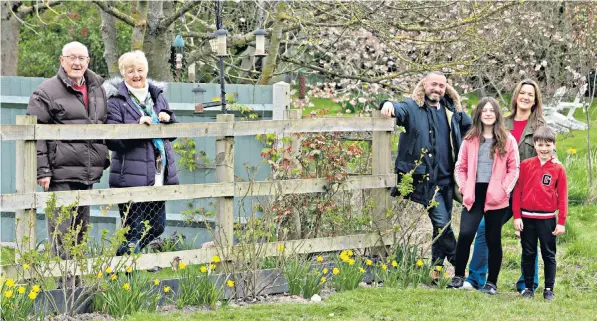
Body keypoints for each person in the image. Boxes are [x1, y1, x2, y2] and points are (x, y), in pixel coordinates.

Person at [26, 41, 109, 286]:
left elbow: (108, 121)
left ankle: (78, 283)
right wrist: (42, 170)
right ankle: (65, 286)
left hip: (87, 172)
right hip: (59, 173)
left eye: (81, 58)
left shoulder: (97, 88)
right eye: (71, 58)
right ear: (62, 61)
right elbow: (35, 132)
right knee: (62, 231)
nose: (76, 63)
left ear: (88, 61)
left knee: (81, 230)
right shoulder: (46, 91)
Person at [379, 72, 472, 271]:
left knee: (440, 227)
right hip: (425, 180)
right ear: (424, 85)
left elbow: (472, 126)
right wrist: (387, 104)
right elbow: (399, 109)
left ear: (445, 88)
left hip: (448, 179)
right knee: (443, 224)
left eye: (441, 86)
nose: (437, 89)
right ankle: (461, 266)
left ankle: (436, 271)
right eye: (433, 85)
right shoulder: (412, 108)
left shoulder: (451, 111)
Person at [464, 80, 548, 292]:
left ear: (535, 99)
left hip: (527, 191)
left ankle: (527, 284)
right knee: (484, 230)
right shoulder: (502, 123)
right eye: (522, 92)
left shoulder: (541, 127)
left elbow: (547, 160)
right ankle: (475, 278)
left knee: (529, 235)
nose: (526, 97)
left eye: (530, 94)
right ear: (516, 96)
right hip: (500, 190)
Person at [102, 51, 179, 256]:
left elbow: (174, 133)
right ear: (123, 73)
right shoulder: (116, 101)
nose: (136, 74)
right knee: (133, 232)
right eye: (130, 71)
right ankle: (126, 276)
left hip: (157, 174)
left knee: (157, 226)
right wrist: (136, 127)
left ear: (146, 71)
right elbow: (112, 139)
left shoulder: (157, 96)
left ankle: (122, 260)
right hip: (129, 177)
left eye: (140, 70)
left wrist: (167, 119)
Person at [447, 97, 520, 294]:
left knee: (492, 238)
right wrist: (464, 188)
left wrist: (504, 189)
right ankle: (458, 276)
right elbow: (460, 168)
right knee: (465, 234)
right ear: (479, 114)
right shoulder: (470, 140)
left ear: (497, 115)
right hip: (474, 194)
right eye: (484, 110)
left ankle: (491, 283)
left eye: (492, 110)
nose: (488, 113)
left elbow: (514, 168)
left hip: (497, 196)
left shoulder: (507, 139)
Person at [513, 126, 567, 300]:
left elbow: (563, 197)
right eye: (540, 144)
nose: (544, 148)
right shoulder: (525, 165)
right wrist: (517, 216)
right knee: (528, 253)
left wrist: (561, 222)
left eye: (548, 144)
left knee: (548, 254)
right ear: (534, 145)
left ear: (554, 145)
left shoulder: (558, 169)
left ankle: (549, 289)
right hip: (527, 218)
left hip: (547, 219)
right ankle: (528, 288)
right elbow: (517, 192)